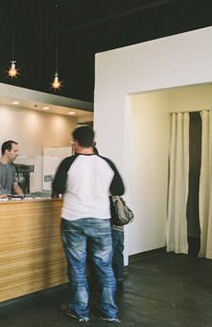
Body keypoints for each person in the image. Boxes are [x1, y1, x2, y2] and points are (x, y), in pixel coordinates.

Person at [52, 126, 124, 323]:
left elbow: (57, 187)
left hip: (74, 219)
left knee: (77, 266)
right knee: (104, 266)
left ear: (75, 142)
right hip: (100, 219)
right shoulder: (106, 163)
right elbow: (119, 188)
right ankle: (109, 312)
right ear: (93, 142)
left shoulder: (69, 162)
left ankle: (80, 310)